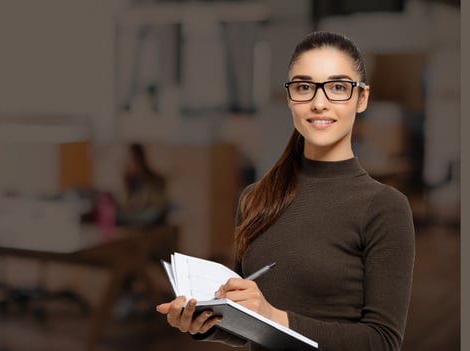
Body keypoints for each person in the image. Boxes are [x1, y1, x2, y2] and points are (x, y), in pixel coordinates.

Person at [155, 31, 415, 351]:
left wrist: (277, 318)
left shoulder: (385, 207)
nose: (319, 103)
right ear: (291, 98)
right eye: (304, 87)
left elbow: (383, 341)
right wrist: (204, 324)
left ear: (361, 98)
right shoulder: (256, 198)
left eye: (337, 87)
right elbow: (249, 324)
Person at [115, 143, 168, 227]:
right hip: (134, 215)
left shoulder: (153, 179)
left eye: (131, 158)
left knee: (153, 214)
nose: (127, 162)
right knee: (116, 215)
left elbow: (159, 204)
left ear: (140, 158)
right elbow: (124, 201)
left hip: (149, 213)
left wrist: (138, 204)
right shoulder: (127, 180)